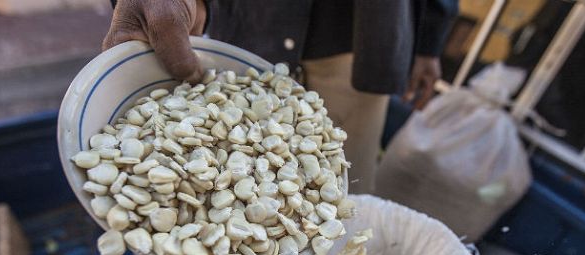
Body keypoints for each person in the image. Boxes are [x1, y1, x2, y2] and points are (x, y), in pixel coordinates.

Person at [103, 0, 457, 194]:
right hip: (248, 32)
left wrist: (430, 36)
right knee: (215, 183)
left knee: (345, 189)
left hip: (357, 40)